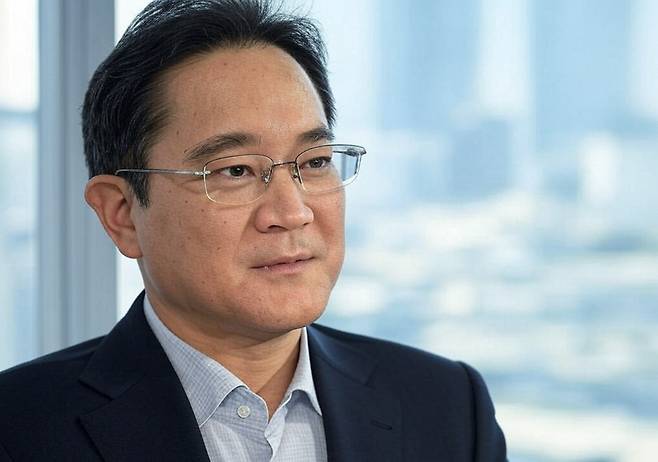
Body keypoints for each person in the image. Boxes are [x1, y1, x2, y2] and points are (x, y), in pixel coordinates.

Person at [0, 0, 506, 460]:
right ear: (122, 213)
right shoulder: (18, 429)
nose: (293, 212)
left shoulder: (447, 406)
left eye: (315, 162)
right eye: (235, 170)